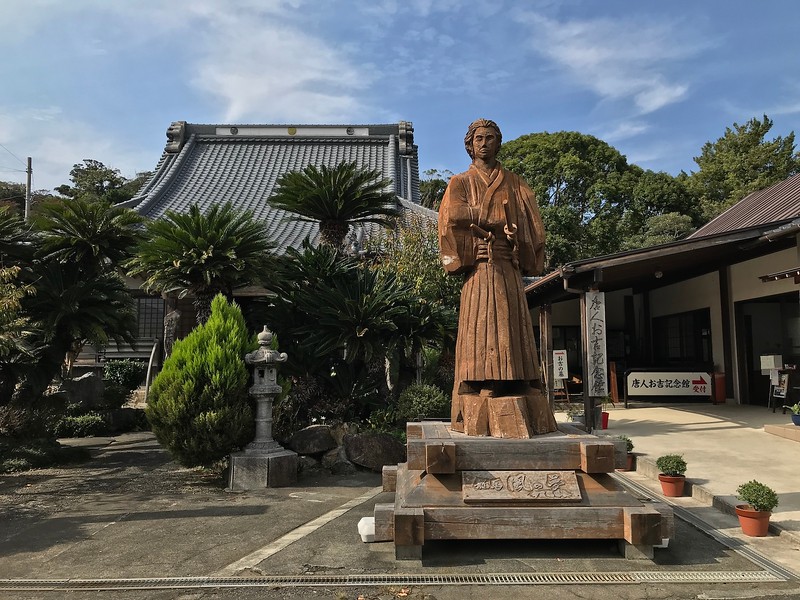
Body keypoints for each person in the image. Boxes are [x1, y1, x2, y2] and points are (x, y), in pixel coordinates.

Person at [439, 118, 557, 436]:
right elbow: (451, 217)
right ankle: (481, 380)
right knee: (481, 324)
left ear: (498, 143)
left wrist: (516, 239)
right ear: (470, 144)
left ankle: (519, 380)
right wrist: (486, 225)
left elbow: (533, 226)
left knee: (510, 322)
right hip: (479, 268)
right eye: (479, 138)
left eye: (490, 138)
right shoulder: (460, 182)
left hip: (507, 268)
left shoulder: (516, 183)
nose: (484, 143)